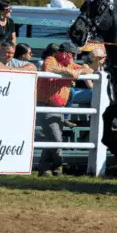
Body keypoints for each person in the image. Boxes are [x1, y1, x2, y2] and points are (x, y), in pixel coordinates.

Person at [35, 43, 86, 176]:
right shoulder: (51, 59)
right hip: (46, 106)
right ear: (64, 53)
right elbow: (48, 67)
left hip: (58, 108)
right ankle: (58, 167)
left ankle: (45, 168)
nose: (74, 57)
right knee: (56, 139)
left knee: (52, 138)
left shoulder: (69, 64)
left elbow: (88, 69)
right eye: (72, 54)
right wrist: (69, 72)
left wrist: (77, 71)